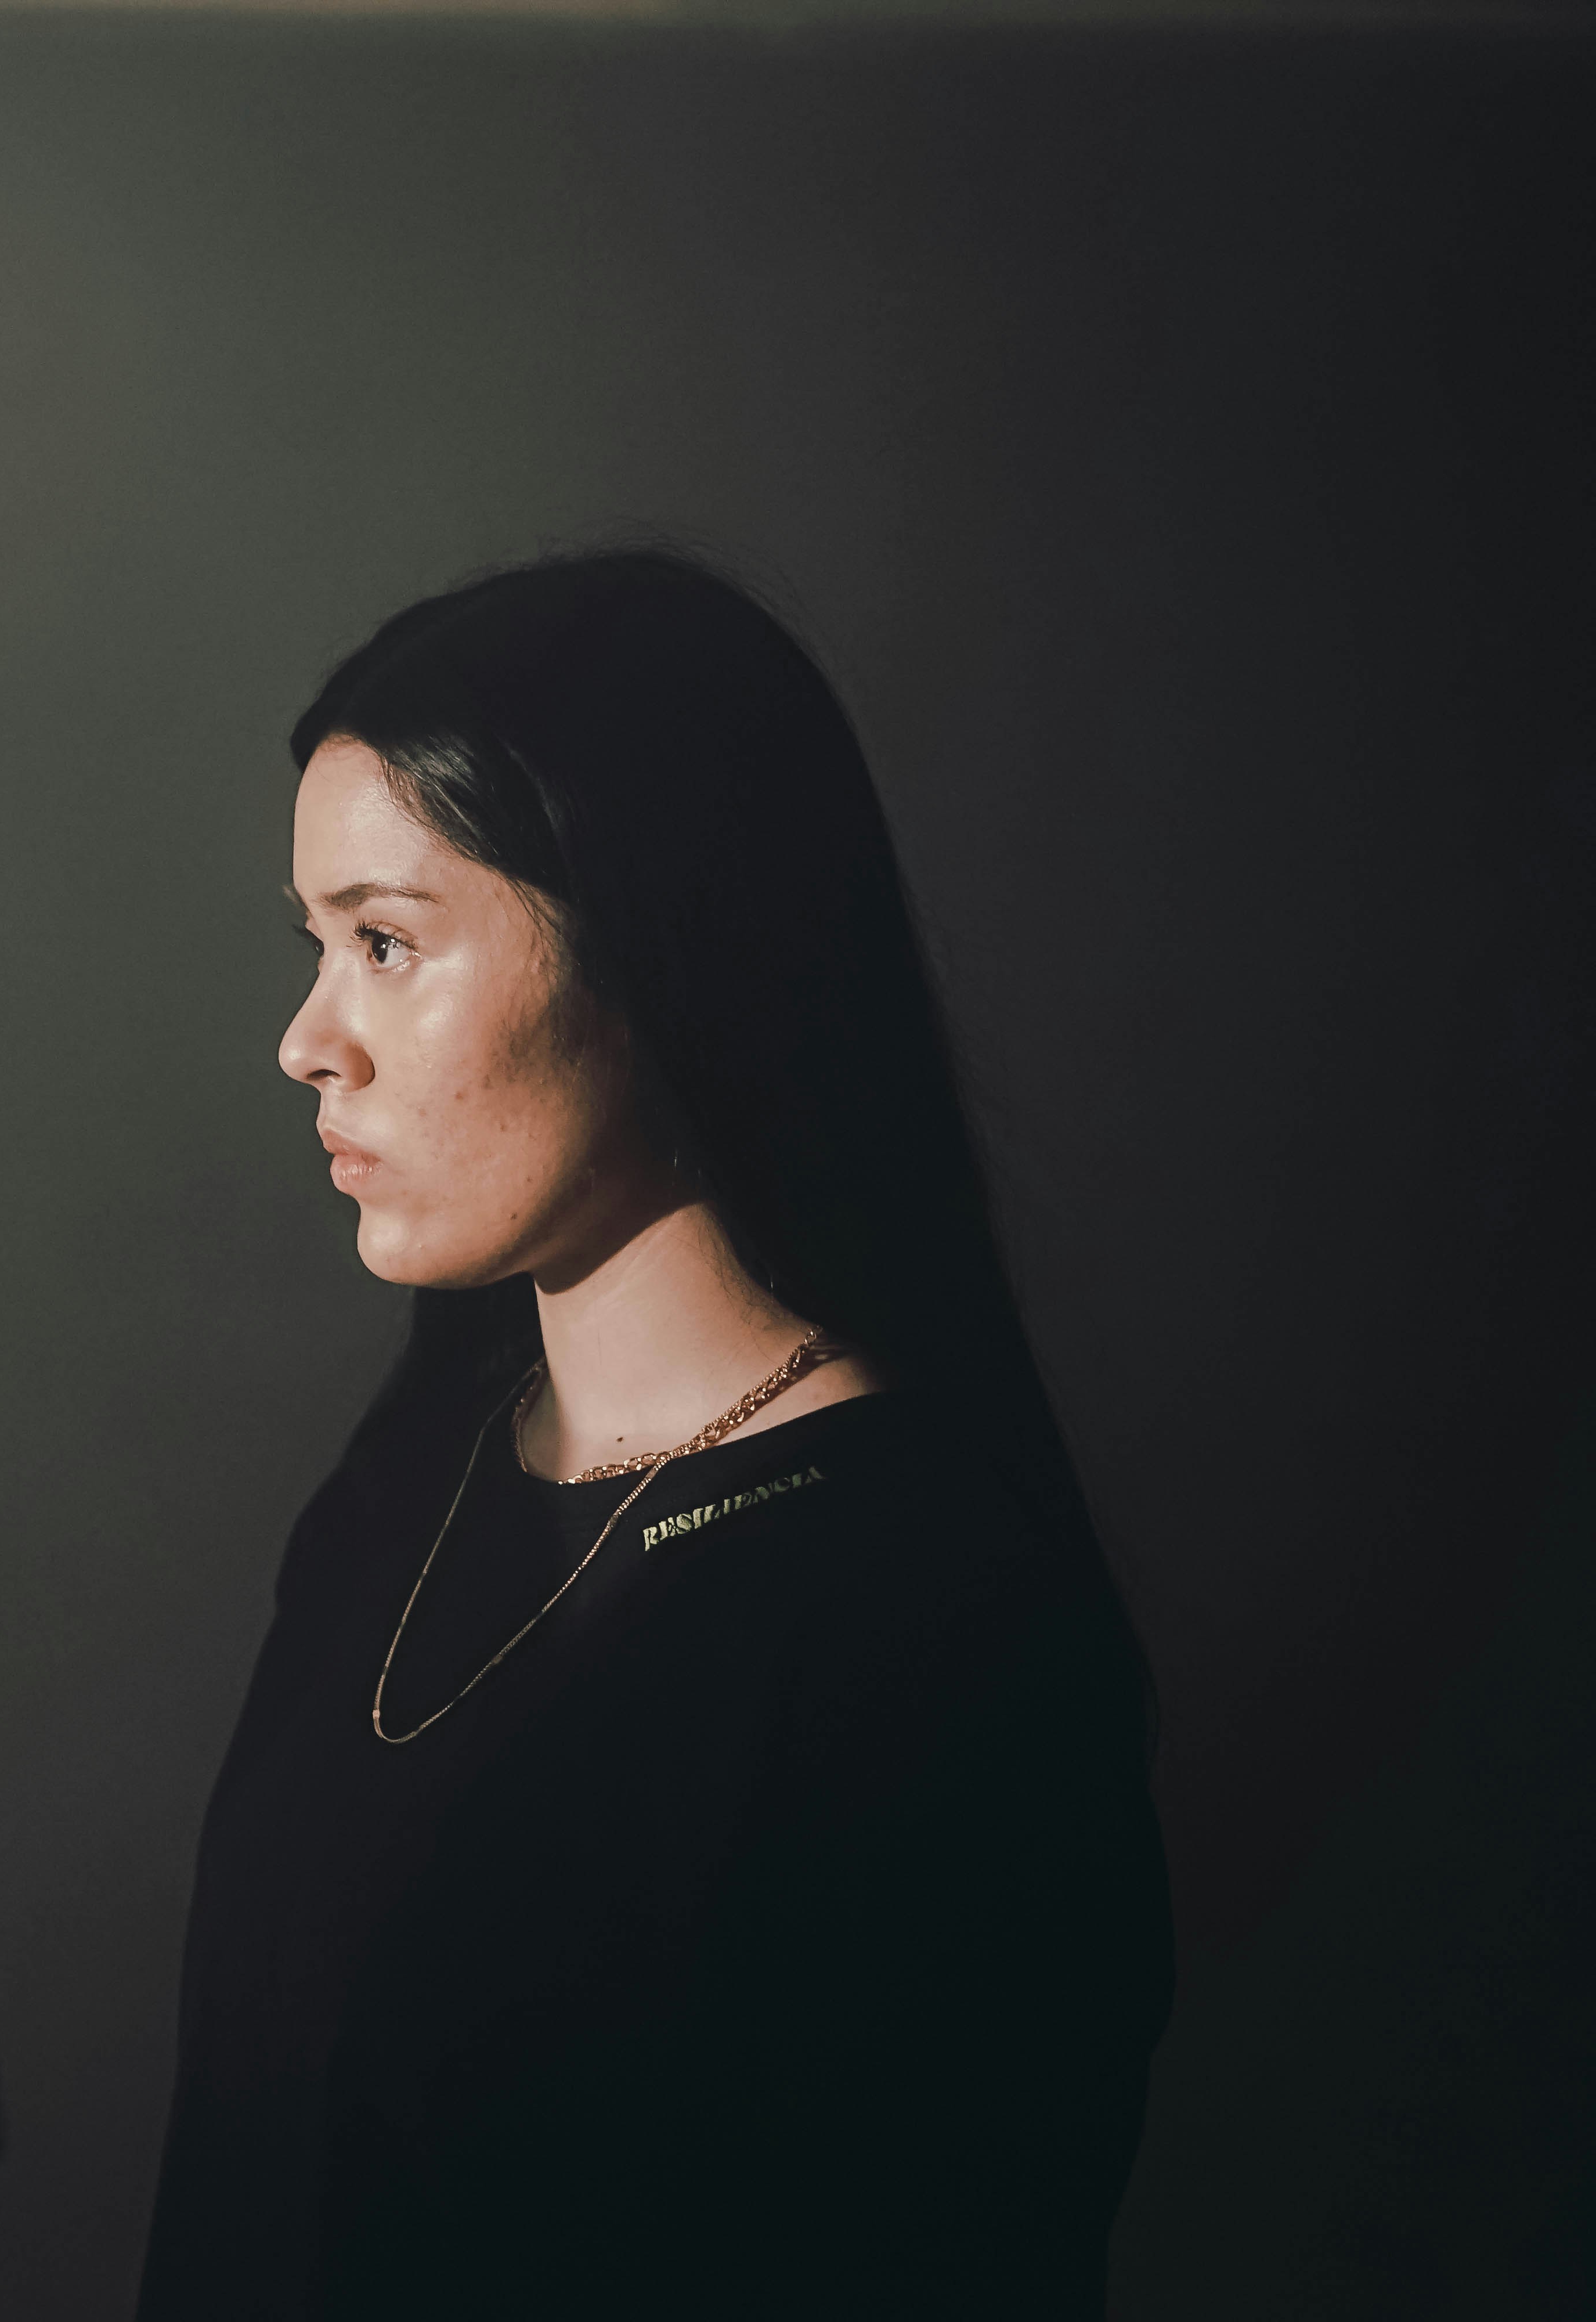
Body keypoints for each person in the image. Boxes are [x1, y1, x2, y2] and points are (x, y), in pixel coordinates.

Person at [142, 550, 1175, 2314]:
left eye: (387, 945)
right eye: (317, 949)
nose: (311, 1042)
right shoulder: (406, 1486)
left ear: (659, 941)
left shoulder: (927, 1618)